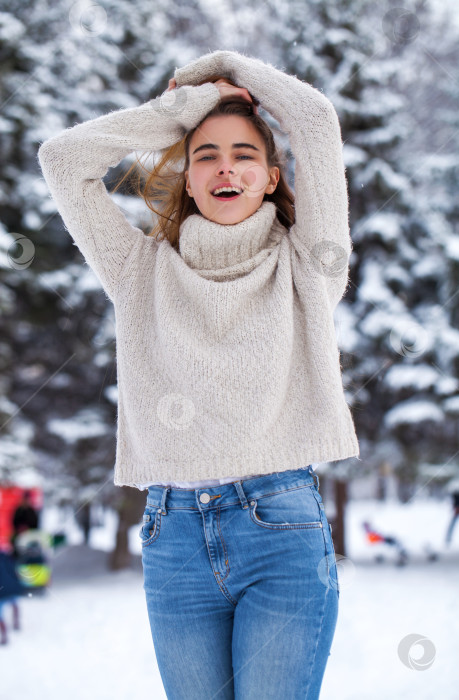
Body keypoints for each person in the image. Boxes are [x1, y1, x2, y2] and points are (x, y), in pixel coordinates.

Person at [38, 50, 359, 699]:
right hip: (173, 535)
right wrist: (178, 107)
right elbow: (64, 162)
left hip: (280, 531)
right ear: (186, 179)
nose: (224, 167)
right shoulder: (138, 271)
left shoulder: (308, 268)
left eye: (243, 154)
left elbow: (315, 122)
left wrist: (226, 68)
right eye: (205, 154)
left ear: (271, 178)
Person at [0, 550, 25, 645]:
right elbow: (15, 571)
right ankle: (16, 622)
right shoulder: (7, 557)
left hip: (1, 591)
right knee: (14, 603)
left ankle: (4, 636)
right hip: (11, 586)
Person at [10, 490, 40, 559]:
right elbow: (14, 522)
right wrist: (20, 528)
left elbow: (35, 523)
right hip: (19, 533)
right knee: (13, 539)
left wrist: (28, 529)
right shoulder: (18, 510)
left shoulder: (31, 511)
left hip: (30, 533)